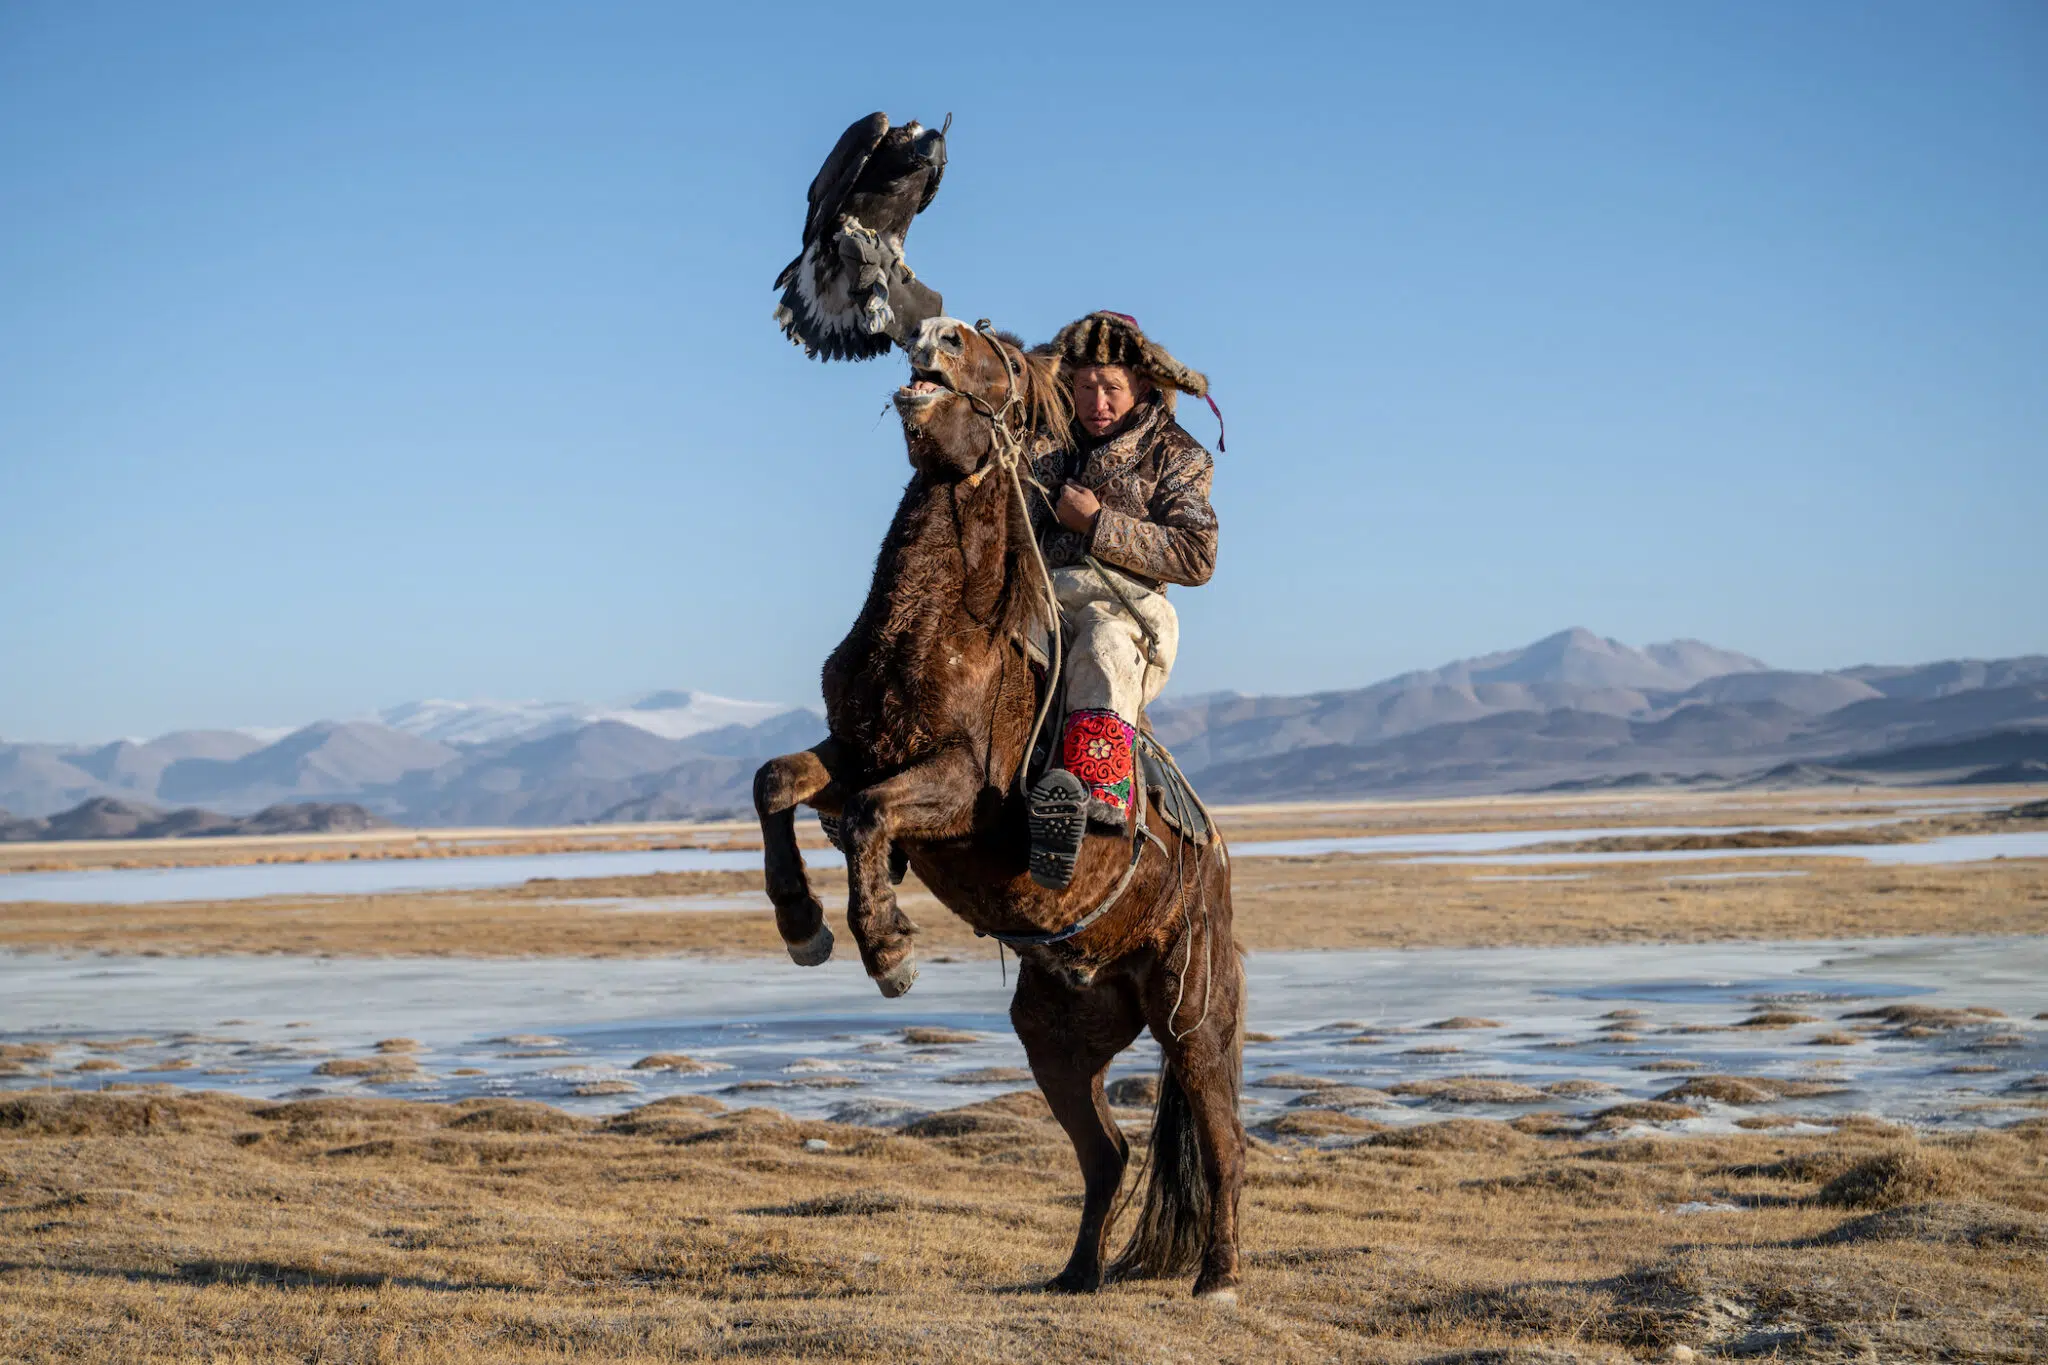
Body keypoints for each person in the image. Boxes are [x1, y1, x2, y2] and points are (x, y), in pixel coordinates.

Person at [1026, 311, 1219, 890]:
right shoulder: (1042, 441)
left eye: (1110, 386)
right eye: (1085, 386)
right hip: (1039, 599)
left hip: (1128, 611)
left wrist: (1097, 524)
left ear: (1141, 384)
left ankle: (1096, 794)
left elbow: (1197, 556)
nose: (1097, 402)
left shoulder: (1178, 454)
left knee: (1104, 645)